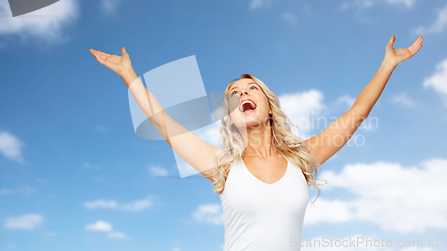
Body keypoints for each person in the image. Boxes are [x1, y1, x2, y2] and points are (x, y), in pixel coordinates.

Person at [89, 34, 423, 250]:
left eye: (251, 89)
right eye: (233, 94)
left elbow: (356, 113)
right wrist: (128, 74)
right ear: (230, 118)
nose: (242, 94)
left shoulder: (302, 158)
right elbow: (164, 123)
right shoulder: (222, 166)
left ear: (269, 106)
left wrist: (388, 65)